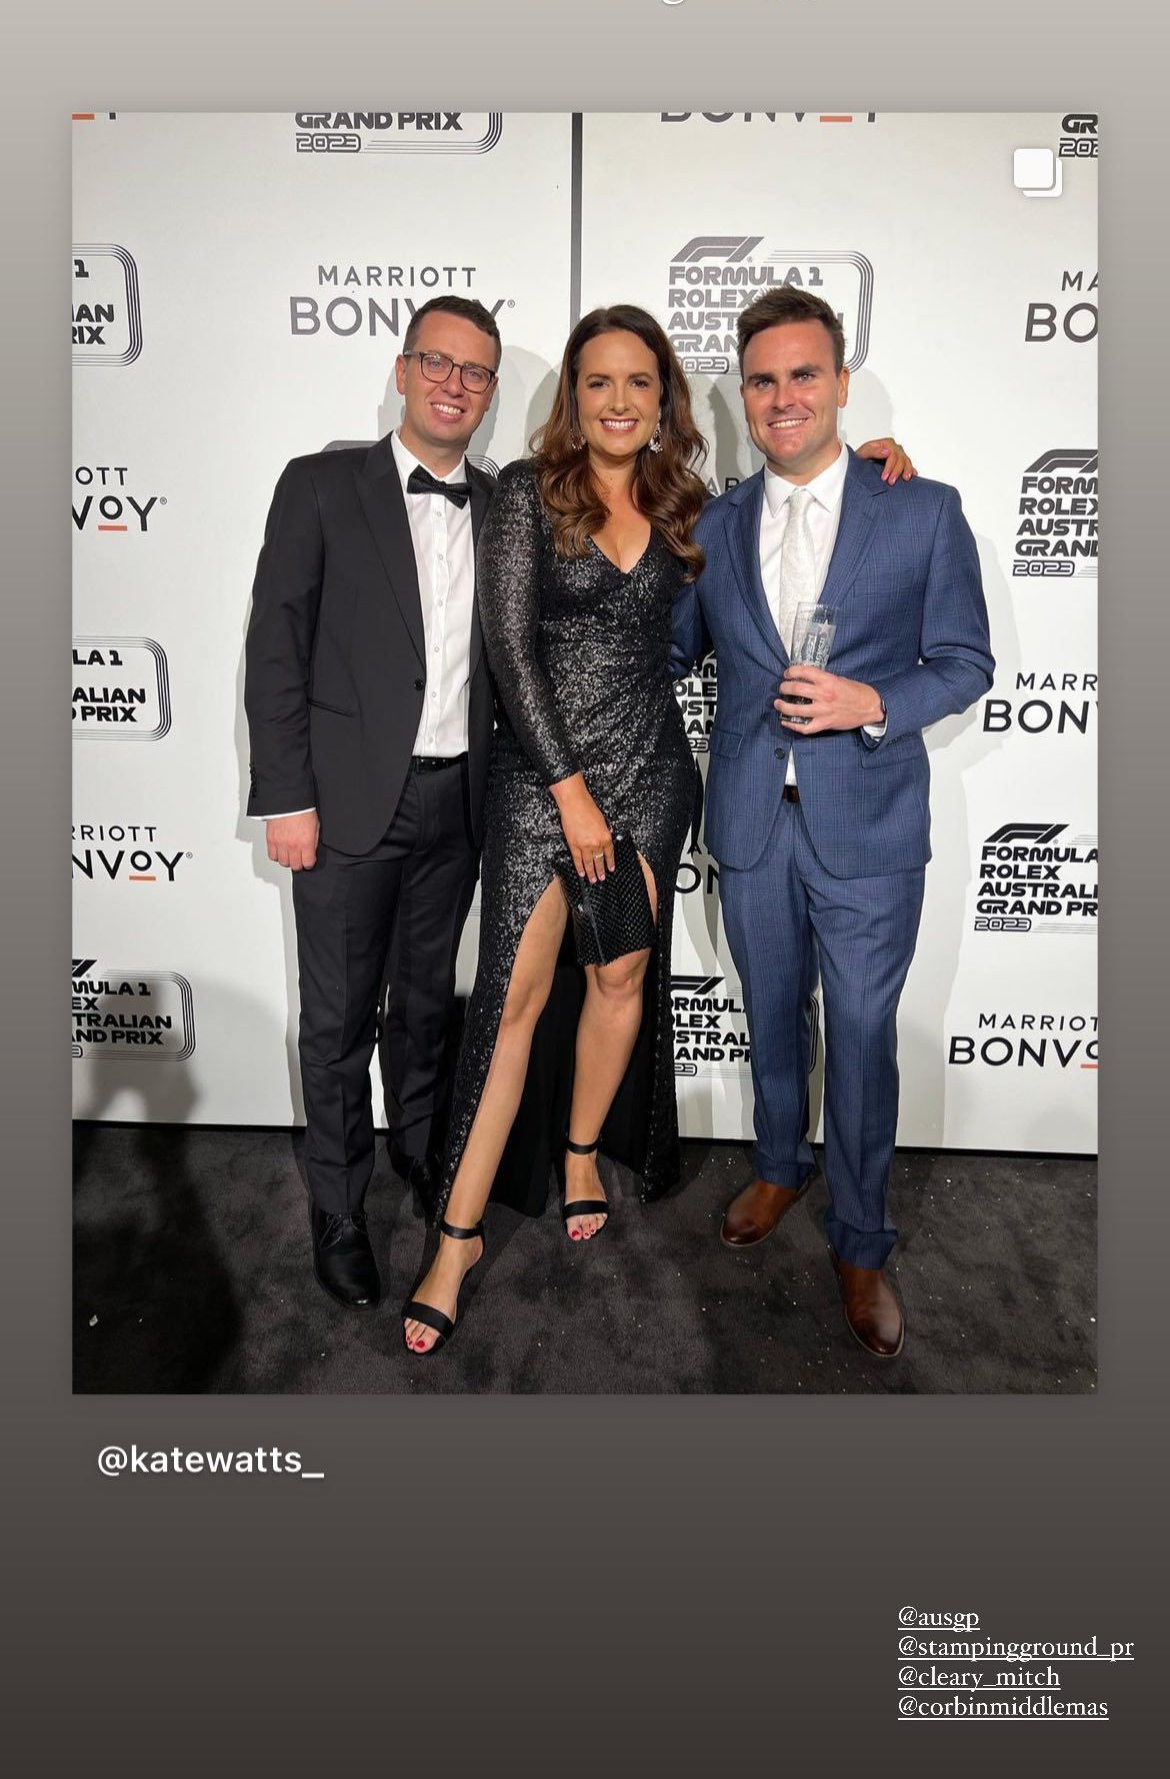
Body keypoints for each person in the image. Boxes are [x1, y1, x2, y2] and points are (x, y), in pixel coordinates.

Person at [401, 304, 917, 1355]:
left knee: (621, 980)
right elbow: (510, 652)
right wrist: (568, 791)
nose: (619, 400)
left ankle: (582, 1152)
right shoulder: (526, 494)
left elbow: (786, 537)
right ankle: (455, 1240)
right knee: (509, 1003)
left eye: (640, 382)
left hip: (651, 779)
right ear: (573, 395)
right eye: (598, 381)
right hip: (544, 782)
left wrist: (872, 463)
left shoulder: (692, 505)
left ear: (664, 398)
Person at [671, 285, 994, 1358]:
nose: (783, 397)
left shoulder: (921, 509)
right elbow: (667, 645)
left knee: (859, 1038)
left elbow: (966, 662)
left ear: (842, 384)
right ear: (743, 396)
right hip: (752, 821)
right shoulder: (714, 526)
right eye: (762, 380)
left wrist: (874, 702)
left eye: (804, 374)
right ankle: (778, 1165)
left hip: (869, 825)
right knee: (771, 1015)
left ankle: (861, 1238)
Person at [244, 296, 502, 1309]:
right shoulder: (319, 486)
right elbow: (277, 647)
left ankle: (423, 1155)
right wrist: (286, 797)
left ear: (490, 392)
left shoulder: (504, 505)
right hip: (348, 807)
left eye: (475, 371)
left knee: (427, 1006)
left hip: (458, 804)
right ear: (402, 370)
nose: (453, 383)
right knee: (341, 1020)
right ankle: (339, 1204)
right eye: (437, 361)